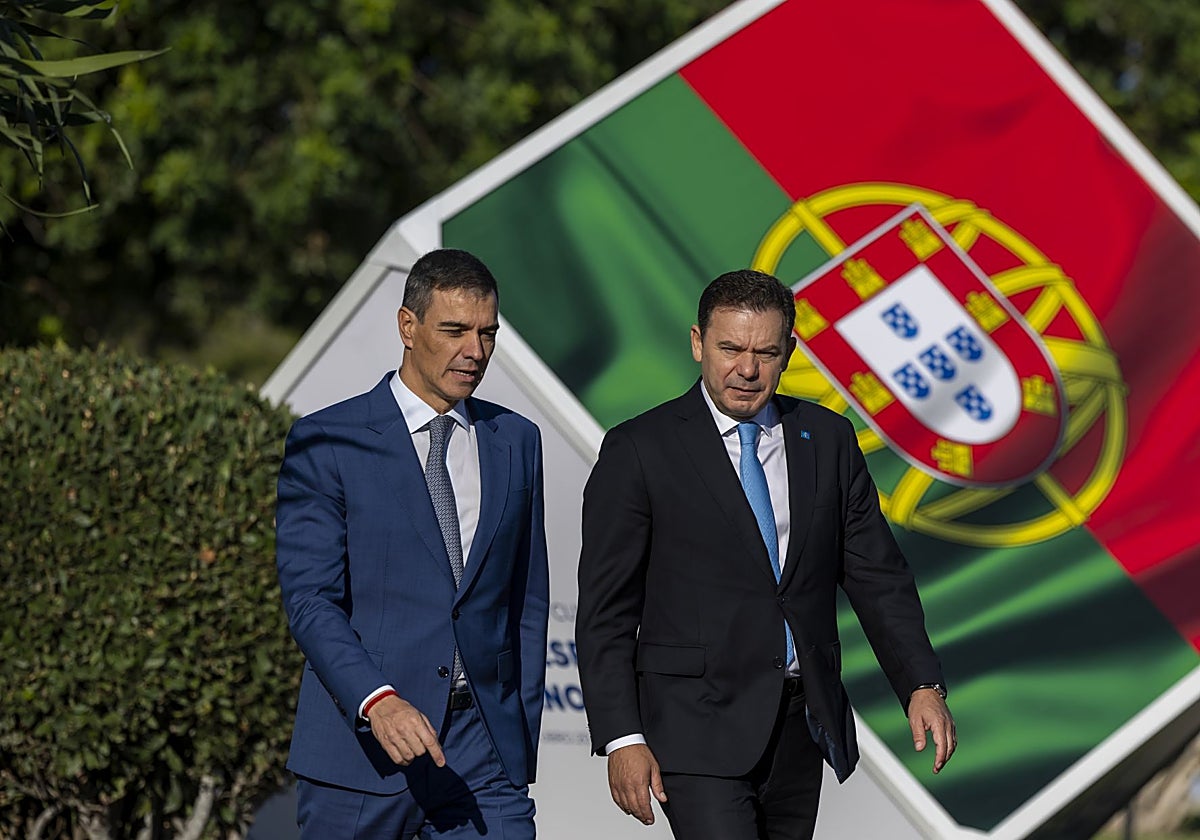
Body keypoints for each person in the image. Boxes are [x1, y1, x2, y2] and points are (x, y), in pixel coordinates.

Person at [575, 269, 955, 839]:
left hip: (801, 724)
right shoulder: (639, 449)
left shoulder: (827, 440)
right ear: (698, 343)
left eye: (765, 352)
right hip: (692, 727)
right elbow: (606, 610)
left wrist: (922, 683)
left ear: (789, 352)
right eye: (729, 348)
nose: (747, 369)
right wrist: (622, 737)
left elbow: (879, 577)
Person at [275, 248, 549, 839]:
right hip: (362, 751)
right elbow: (310, 599)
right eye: (454, 330)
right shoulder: (327, 439)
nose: (473, 352)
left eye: (486, 334)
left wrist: (517, 735)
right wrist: (377, 700)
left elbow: (526, 599)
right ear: (408, 325)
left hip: (484, 756)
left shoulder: (516, 440)